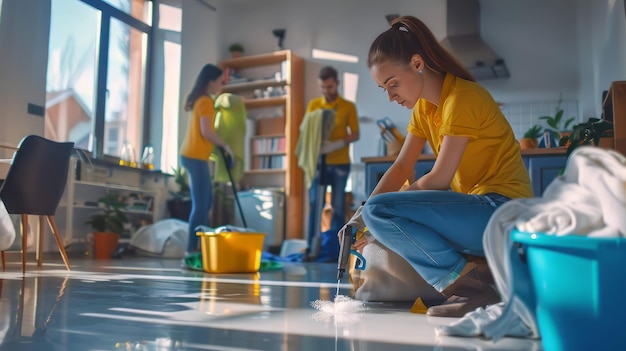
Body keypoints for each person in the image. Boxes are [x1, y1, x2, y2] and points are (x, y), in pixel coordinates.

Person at [340, 16, 533, 317]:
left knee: (381, 211)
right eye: (384, 89)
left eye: (393, 84)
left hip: (503, 211)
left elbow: (440, 178)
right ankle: (474, 286)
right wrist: (358, 218)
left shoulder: (462, 99)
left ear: (417, 64)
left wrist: (379, 212)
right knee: (378, 211)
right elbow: (402, 166)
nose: (390, 96)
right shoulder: (425, 109)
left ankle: (473, 289)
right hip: (477, 209)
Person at [179, 63, 234, 253]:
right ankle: (191, 251)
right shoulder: (206, 101)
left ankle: (204, 248)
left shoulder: (201, 100)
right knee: (201, 205)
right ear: (211, 81)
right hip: (194, 157)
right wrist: (226, 146)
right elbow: (207, 131)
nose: (222, 85)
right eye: (220, 81)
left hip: (194, 156)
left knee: (206, 202)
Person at [306, 66, 360, 246]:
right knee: (315, 205)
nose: (326, 91)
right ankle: (311, 247)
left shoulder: (348, 107)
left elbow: (355, 134)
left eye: (329, 87)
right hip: (318, 163)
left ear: (336, 84)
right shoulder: (314, 105)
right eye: (322, 87)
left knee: (338, 207)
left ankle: (337, 250)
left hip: (340, 164)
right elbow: (308, 130)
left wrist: (336, 144)